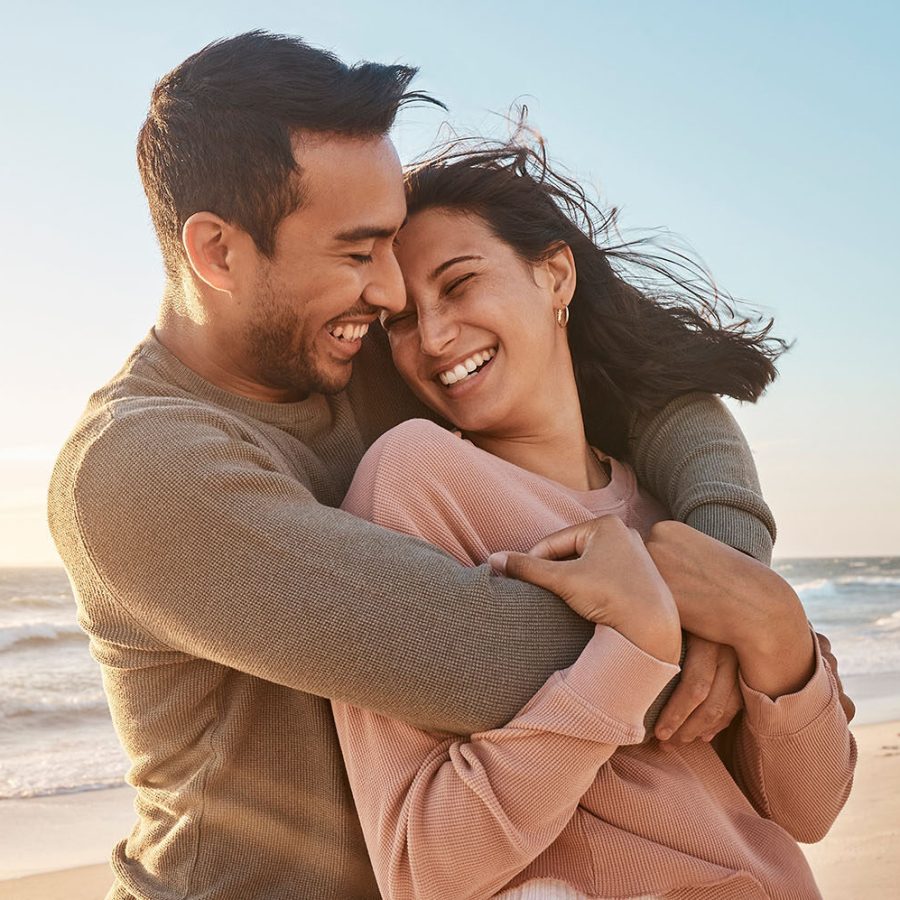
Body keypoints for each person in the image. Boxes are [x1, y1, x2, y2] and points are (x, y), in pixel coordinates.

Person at [48, 32, 784, 900]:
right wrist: (718, 632)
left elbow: (648, 389)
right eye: (358, 253)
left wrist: (727, 563)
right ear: (217, 252)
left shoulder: (354, 349)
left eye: (392, 245)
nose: (397, 295)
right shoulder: (138, 470)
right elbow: (484, 660)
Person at [332, 141, 857, 899]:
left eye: (460, 284)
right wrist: (631, 649)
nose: (436, 337)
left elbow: (811, 809)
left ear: (555, 275)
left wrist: (775, 625)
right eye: (404, 322)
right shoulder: (416, 480)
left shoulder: (670, 506)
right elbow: (422, 870)